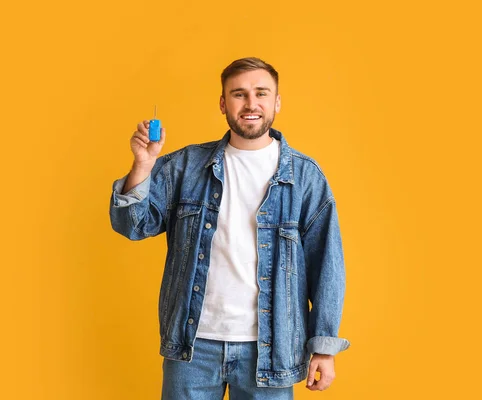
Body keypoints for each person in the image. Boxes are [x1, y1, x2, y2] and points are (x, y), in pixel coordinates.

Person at [110, 57, 350, 399]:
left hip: (270, 348)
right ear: (224, 103)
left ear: (276, 102)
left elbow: (327, 264)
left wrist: (324, 347)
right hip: (192, 346)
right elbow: (132, 226)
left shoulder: (306, 177)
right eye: (239, 94)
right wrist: (143, 165)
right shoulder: (185, 166)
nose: (251, 103)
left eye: (261, 93)